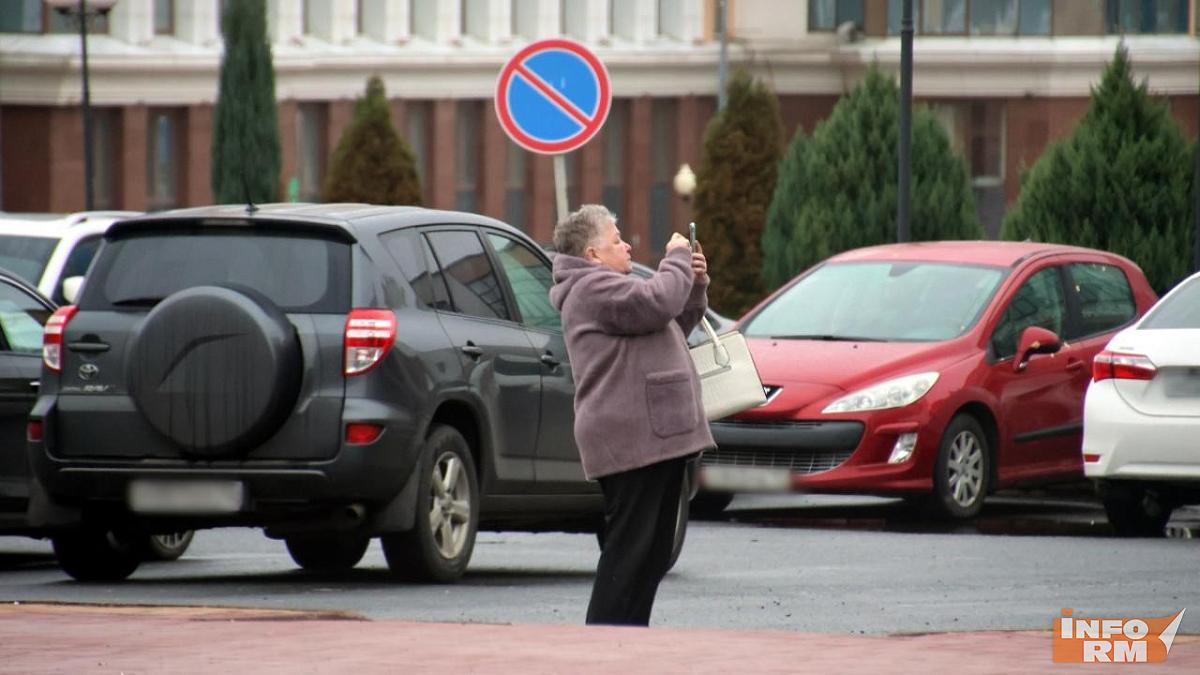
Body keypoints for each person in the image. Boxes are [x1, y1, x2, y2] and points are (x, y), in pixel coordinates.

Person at [548, 204, 715, 626]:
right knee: (630, 551)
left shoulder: (613, 289)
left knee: (653, 552)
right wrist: (676, 258)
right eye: (617, 239)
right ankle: (604, 640)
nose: (626, 246)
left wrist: (694, 283)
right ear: (592, 254)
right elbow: (657, 302)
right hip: (630, 439)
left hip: (657, 436)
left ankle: (631, 637)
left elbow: (671, 323)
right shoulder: (590, 288)